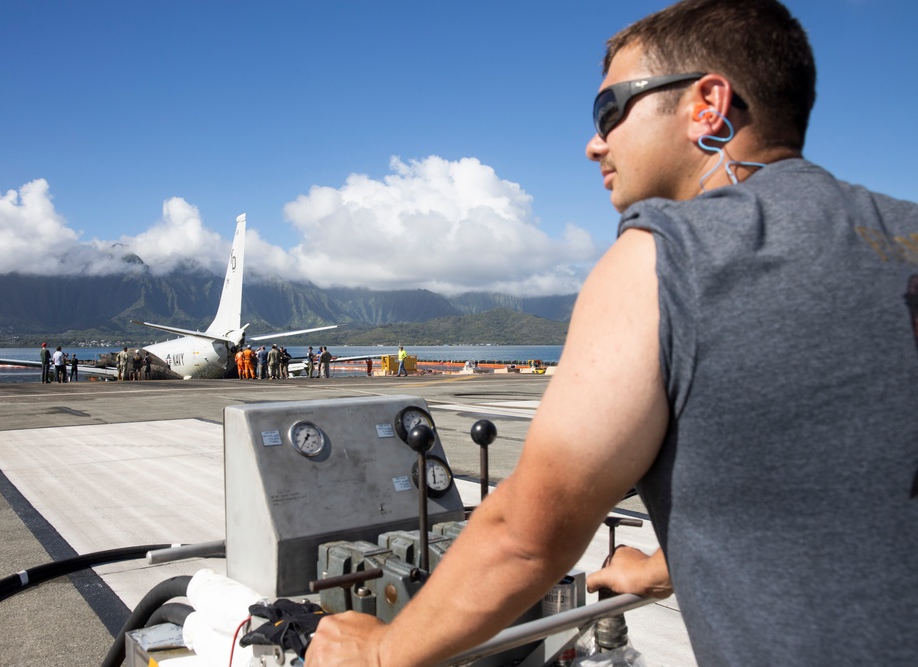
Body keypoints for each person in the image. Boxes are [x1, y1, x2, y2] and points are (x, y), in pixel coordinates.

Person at [305, 2, 918, 666]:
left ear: (708, 104)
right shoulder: (906, 233)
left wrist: (379, 651)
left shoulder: (667, 255)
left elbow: (527, 536)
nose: (594, 143)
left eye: (610, 112)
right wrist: (663, 565)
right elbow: (842, 480)